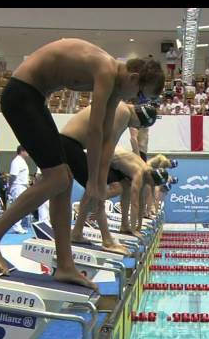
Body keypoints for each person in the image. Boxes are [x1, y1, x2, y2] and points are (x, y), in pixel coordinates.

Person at [0, 39, 164, 289]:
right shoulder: (107, 68)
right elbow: (94, 132)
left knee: (62, 180)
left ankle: (65, 265)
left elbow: (106, 142)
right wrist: (94, 182)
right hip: (21, 94)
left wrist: (97, 183)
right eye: (139, 95)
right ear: (134, 77)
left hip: (36, 98)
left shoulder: (117, 90)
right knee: (58, 178)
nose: (136, 101)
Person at [61, 100, 158, 252]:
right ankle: (106, 240)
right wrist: (99, 179)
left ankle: (78, 232)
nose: (137, 128)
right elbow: (107, 147)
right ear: (139, 119)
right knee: (98, 193)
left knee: (111, 189)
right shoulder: (124, 112)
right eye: (139, 126)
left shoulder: (121, 109)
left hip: (73, 144)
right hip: (71, 145)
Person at [7, 146, 30, 234]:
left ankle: (17, 226)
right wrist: (9, 187)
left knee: (21, 207)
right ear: (21, 151)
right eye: (26, 151)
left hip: (22, 186)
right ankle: (16, 227)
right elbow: (13, 176)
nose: (28, 152)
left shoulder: (22, 161)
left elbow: (23, 177)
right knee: (18, 207)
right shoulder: (16, 161)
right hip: (17, 186)